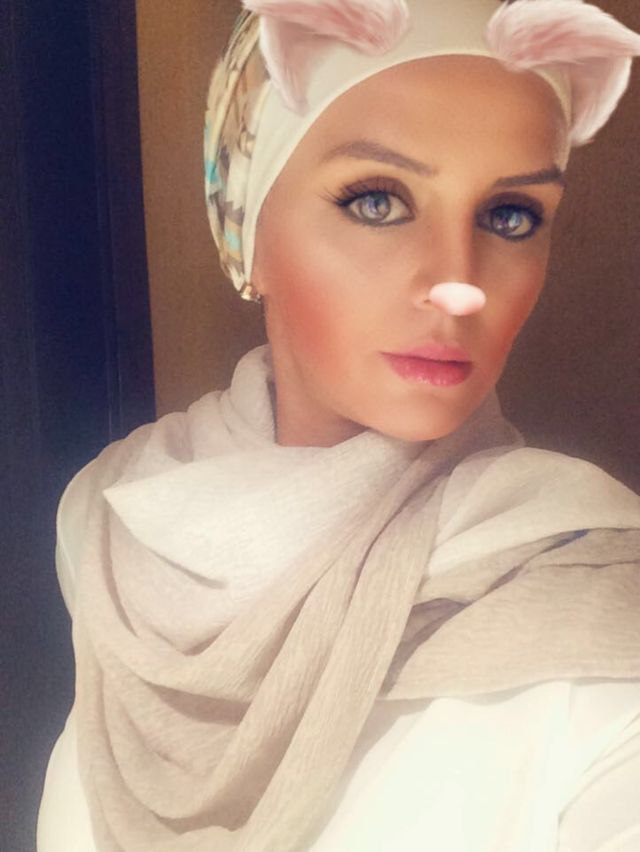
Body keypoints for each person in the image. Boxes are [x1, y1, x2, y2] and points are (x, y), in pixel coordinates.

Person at [38, 1, 640, 850]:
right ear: (245, 230)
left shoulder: (594, 614)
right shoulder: (115, 534)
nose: (458, 283)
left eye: (510, 216)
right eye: (377, 201)